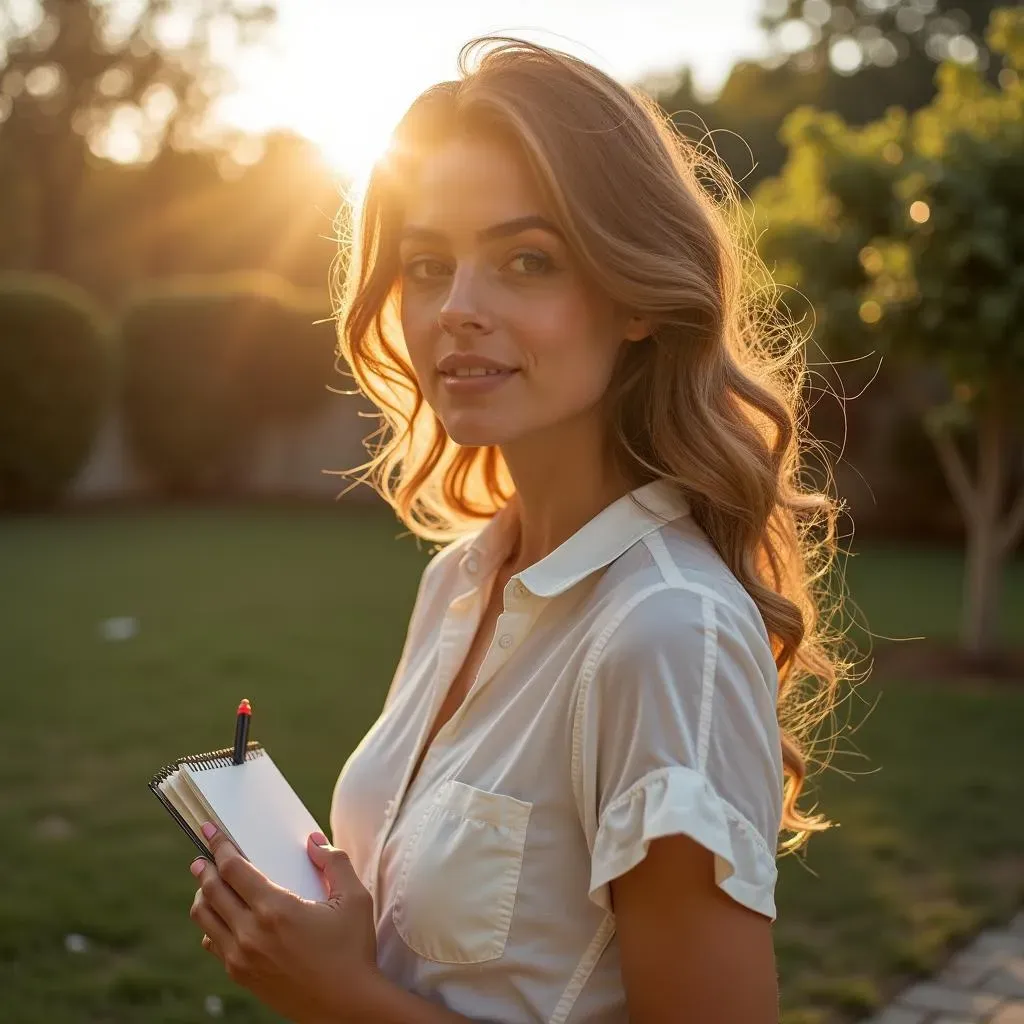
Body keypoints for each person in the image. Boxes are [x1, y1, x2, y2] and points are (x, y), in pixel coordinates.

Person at [187, 35, 855, 1023]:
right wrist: (317, 927)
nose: (456, 309)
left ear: (633, 292)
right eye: (426, 263)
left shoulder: (665, 633)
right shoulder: (461, 578)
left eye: (525, 260)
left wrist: (337, 996)